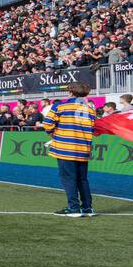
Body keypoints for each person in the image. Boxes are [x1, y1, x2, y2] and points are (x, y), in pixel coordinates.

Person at [39, 81, 98, 218]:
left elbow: (47, 124)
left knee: (69, 178)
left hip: (65, 148)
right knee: (82, 179)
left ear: (70, 92)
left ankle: (74, 208)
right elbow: (94, 128)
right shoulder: (90, 109)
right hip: (83, 148)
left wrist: (54, 134)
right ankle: (87, 208)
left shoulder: (60, 105)